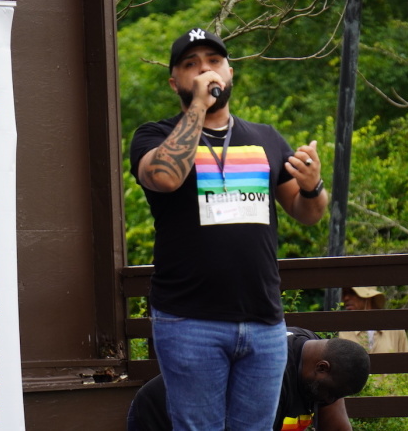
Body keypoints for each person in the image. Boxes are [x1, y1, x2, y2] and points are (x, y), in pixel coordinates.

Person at [129, 27, 328, 430]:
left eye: (214, 62)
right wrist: (198, 109)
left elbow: (308, 212)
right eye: (191, 65)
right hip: (189, 320)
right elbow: (165, 177)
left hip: (264, 322)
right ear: (174, 83)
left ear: (230, 72)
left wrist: (313, 187)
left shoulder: (266, 138)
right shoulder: (155, 136)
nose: (205, 71)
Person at [127, 327, 371, 431]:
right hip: (161, 416)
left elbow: (336, 426)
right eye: (332, 393)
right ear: (322, 367)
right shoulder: (268, 377)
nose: (331, 400)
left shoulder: (314, 346)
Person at [338, 286, 408, 354]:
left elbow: (407, 363)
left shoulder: (394, 328)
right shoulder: (344, 331)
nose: (346, 298)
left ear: (367, 297)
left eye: (352, 293)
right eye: (344, 293)